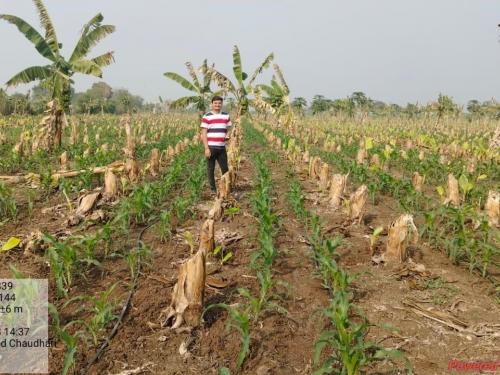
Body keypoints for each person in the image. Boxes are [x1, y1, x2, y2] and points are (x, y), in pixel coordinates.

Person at [200, 96, 232, 194]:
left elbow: (229, 128)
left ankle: (226, 188)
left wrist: (227, 135)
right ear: (212, 104)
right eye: (215, 103)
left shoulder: (226, 116)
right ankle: (213, 189)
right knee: (211, 169)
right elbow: (204, 133)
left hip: (221, 147)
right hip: (211, 147)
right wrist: (206, 148)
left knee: (225, 169)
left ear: (222, 104)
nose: (217, 105)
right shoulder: (207, 116)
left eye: (219, 103)